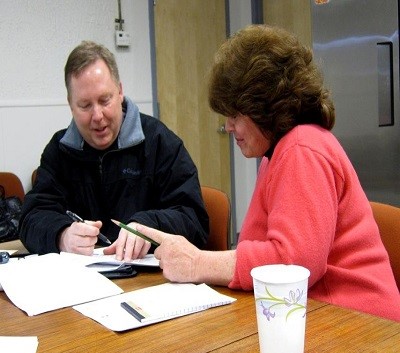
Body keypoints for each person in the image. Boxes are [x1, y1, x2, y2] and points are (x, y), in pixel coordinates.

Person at [135, 25, 400, 322]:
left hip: (360, 325)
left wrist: (197, 262)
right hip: (322, 315)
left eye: (235, 114)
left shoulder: (302, 149)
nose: (228, 126)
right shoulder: (279, 154)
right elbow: (266, 248)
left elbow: (294, 265)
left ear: (263, 107)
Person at [19, 41, 209, 260]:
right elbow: (31, 217)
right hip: (82, 284)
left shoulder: (159, 142)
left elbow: (194, 220)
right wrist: (61, 234)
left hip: (151, 283)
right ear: (71, 105)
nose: (97, 116)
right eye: (85, 105)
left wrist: (147, 227)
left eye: (104, 100)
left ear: (119, 92)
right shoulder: (59, 151)